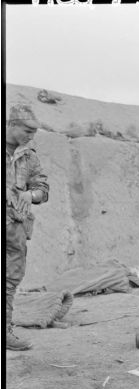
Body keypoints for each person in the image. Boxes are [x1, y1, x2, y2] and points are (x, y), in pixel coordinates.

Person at [6, 104, 50, 350]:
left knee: (10, 281)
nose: (31, 136)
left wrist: (30, 196)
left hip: (15, 229)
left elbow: (43, 189)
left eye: (34, 132)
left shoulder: (29, 155)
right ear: (11, 124)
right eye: (26, 130)